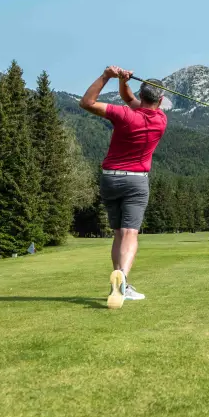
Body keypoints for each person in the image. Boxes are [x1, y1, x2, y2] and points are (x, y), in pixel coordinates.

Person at [79, 65, 167, 309]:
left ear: (142, 94)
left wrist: (108, 76)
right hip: (136, 181)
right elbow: (130, 100)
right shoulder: (161, 120)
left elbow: (87, 102)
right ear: (160, 101)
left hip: (110, 179)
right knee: (130, 233)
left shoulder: (124, 115)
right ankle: (123, 282)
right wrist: (122, 82)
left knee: (118, 233)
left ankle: (118, 284)